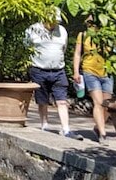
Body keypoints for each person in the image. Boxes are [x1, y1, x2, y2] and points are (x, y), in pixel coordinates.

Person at [25, 9, 82, 140]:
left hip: (58, 70)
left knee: (62, 100)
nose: (54, 23)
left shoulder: (62, 31)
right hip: (39, 69)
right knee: (42, 100)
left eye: (56, 21)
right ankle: (44, 124)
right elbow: (26, 48)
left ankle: (66, 129)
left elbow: (64, 48)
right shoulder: (33, 29)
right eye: (51, 21)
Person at [74, 15, 114, 143]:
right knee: (98, 102)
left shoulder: (107, 35)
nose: (90, 25)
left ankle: (98, 126)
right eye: (88, 22)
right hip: (89, 71)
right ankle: (103, 134)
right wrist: (76, 71)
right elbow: (77, 53)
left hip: (107, 71)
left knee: (107, 105)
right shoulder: (83, 35)